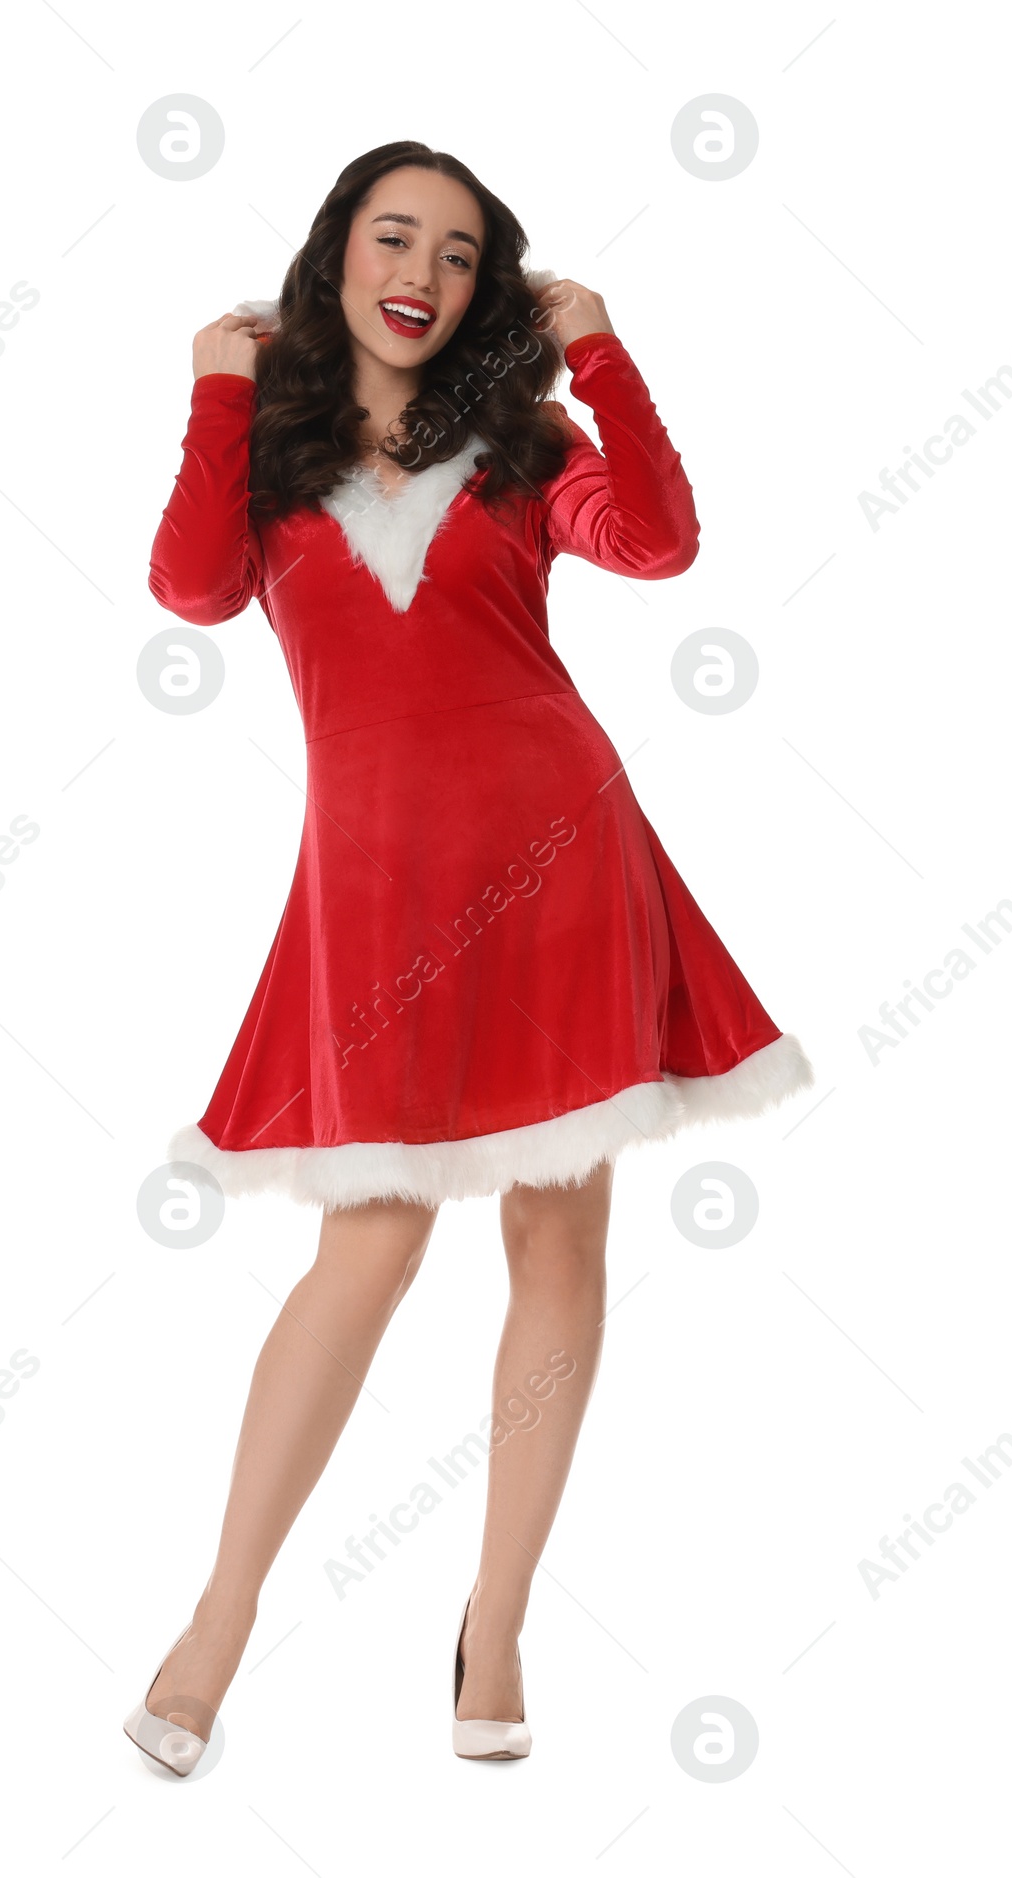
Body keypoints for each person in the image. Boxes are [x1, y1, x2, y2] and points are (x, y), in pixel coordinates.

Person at [124, 140, 813, 1775]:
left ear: (483, 282)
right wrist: (217, 389)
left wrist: (602, 349)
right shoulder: (271, 452)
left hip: (566, 864)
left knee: (558, 1243)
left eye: (454, 245)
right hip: (378, 895)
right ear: (339, 254)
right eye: (390, 232)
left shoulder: (524, 443)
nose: (417, 266)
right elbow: (192, 586)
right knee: (365, 1248)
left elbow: (656, 544)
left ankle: (494, 1622)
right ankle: (218, 1620)